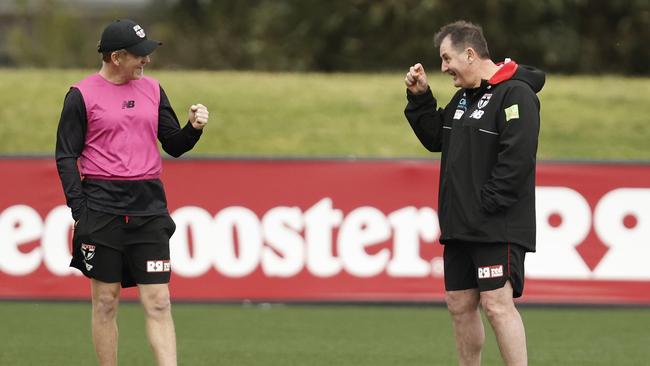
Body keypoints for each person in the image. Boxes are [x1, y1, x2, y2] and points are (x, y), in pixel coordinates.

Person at [55, 19, 209, 366]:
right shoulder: (81, 95)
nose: (147, 61)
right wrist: (80, 209)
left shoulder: (153, 90)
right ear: (116, 56)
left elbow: (174, 144)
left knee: (159, 301)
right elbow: (66, 155)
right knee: (106, 301)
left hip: (149, 208)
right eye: (140, 55)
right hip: (101, 208)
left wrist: (193, 129)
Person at [403, 20, 544, 366]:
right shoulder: (463, 98)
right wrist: (421, 98)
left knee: (497, 305)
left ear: (469, 53)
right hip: (460, 224)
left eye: (447, 58)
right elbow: (438, 138)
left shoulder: (516, 94)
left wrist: (487, 204)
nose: (444, 67)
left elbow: (518, 159)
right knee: (459, 303)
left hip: (496, 223)